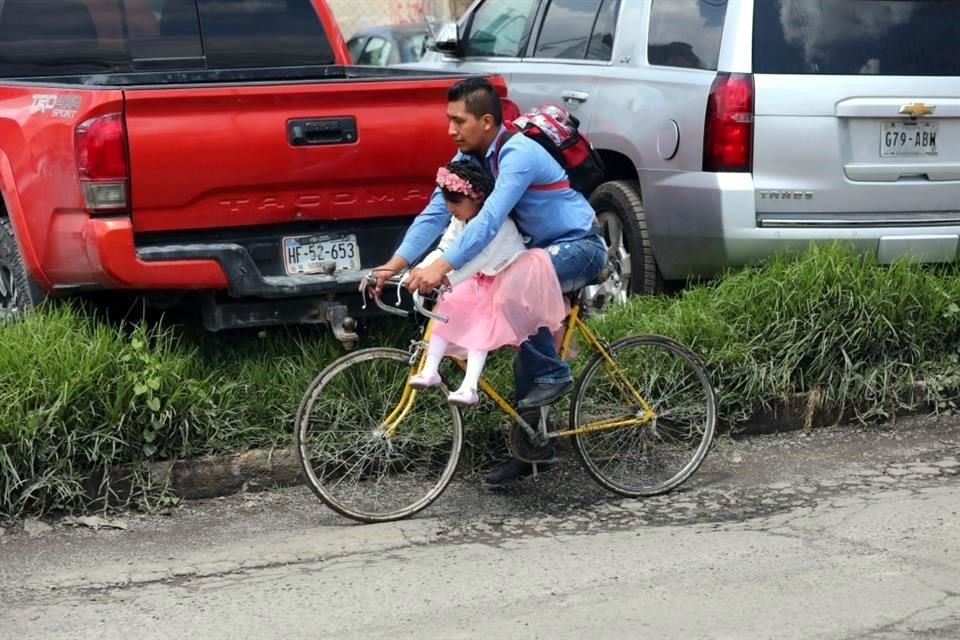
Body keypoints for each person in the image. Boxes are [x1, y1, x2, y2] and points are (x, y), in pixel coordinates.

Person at [371, 77, 607, 484]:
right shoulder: (473, 159)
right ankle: (534, 450)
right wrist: (394, 264)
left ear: (485, 121)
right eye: (449, 120)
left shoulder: (518, 154)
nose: (450, 130)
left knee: (511, 288)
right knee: (521, 350)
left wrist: (440, 267)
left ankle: (556, 374)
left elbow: (487, 222)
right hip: (535, 254)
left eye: (457, 121)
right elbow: (435, 213)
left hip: (579, 246)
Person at [407, 160, 567, 406]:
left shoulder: (498, 224)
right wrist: (420, 271)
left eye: (456, 202)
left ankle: (470, 387)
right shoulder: (461, 220)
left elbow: (481, 256)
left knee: (481, 325)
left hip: (508, 277)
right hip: (481, 277)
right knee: (446, 307)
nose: (450, 208)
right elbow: (446, 247)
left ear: (478, 198)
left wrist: (444, 278)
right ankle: (430, 368)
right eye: (447, 201)